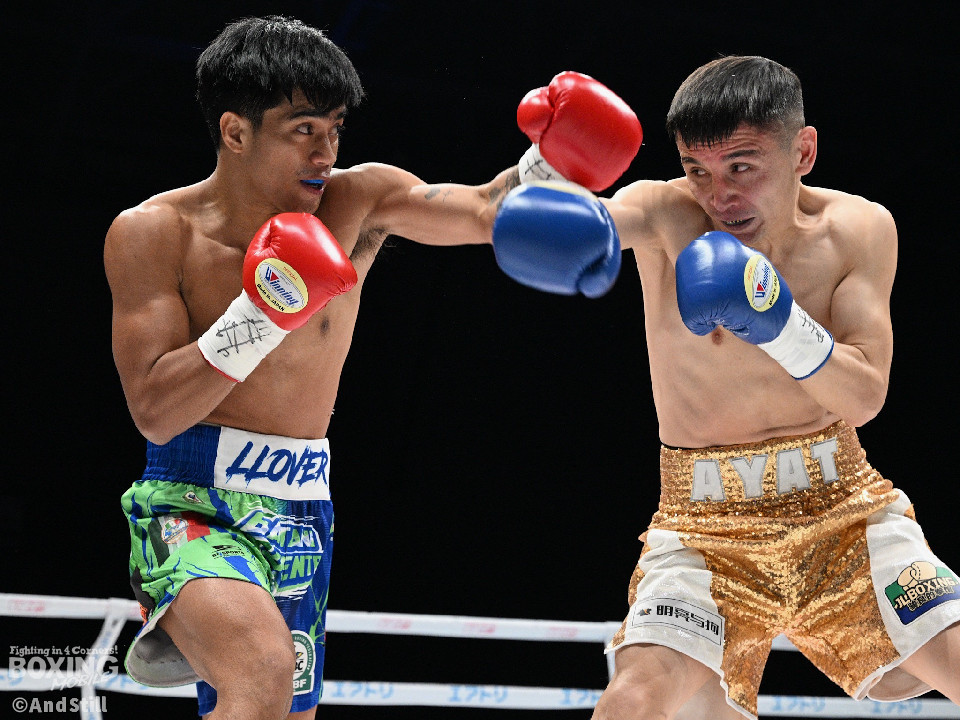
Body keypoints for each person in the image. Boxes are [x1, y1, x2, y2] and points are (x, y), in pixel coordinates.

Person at [103, 15, 641, 720]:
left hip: (303, 506)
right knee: (262, 672)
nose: (325, 151)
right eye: (303, 129)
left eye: (335, 128)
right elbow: (155, 411)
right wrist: (262, 314)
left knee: (279, 708)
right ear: (235, 131)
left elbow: (487, 210)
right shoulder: (153, 232)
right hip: (191, 502)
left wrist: (553, 159)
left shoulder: (357, 202)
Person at [492, 55, 959, 719]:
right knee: (636, 697)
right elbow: (534, 222)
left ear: (803, 152)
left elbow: (864, 397)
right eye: (698, 170)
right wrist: (542, 171)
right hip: (704, 527)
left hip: (843, 510)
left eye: (741, 167)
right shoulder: (663, 213)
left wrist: (777, 322)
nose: (719, 195)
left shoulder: (859, 229)